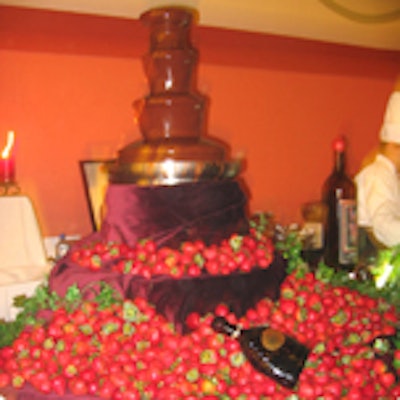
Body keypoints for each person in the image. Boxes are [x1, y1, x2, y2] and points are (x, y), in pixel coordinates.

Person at [355, 91, 400, 249]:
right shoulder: (378, 175)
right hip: (374, 262)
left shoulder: (390, 175)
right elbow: (383, 226)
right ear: (394, 146)